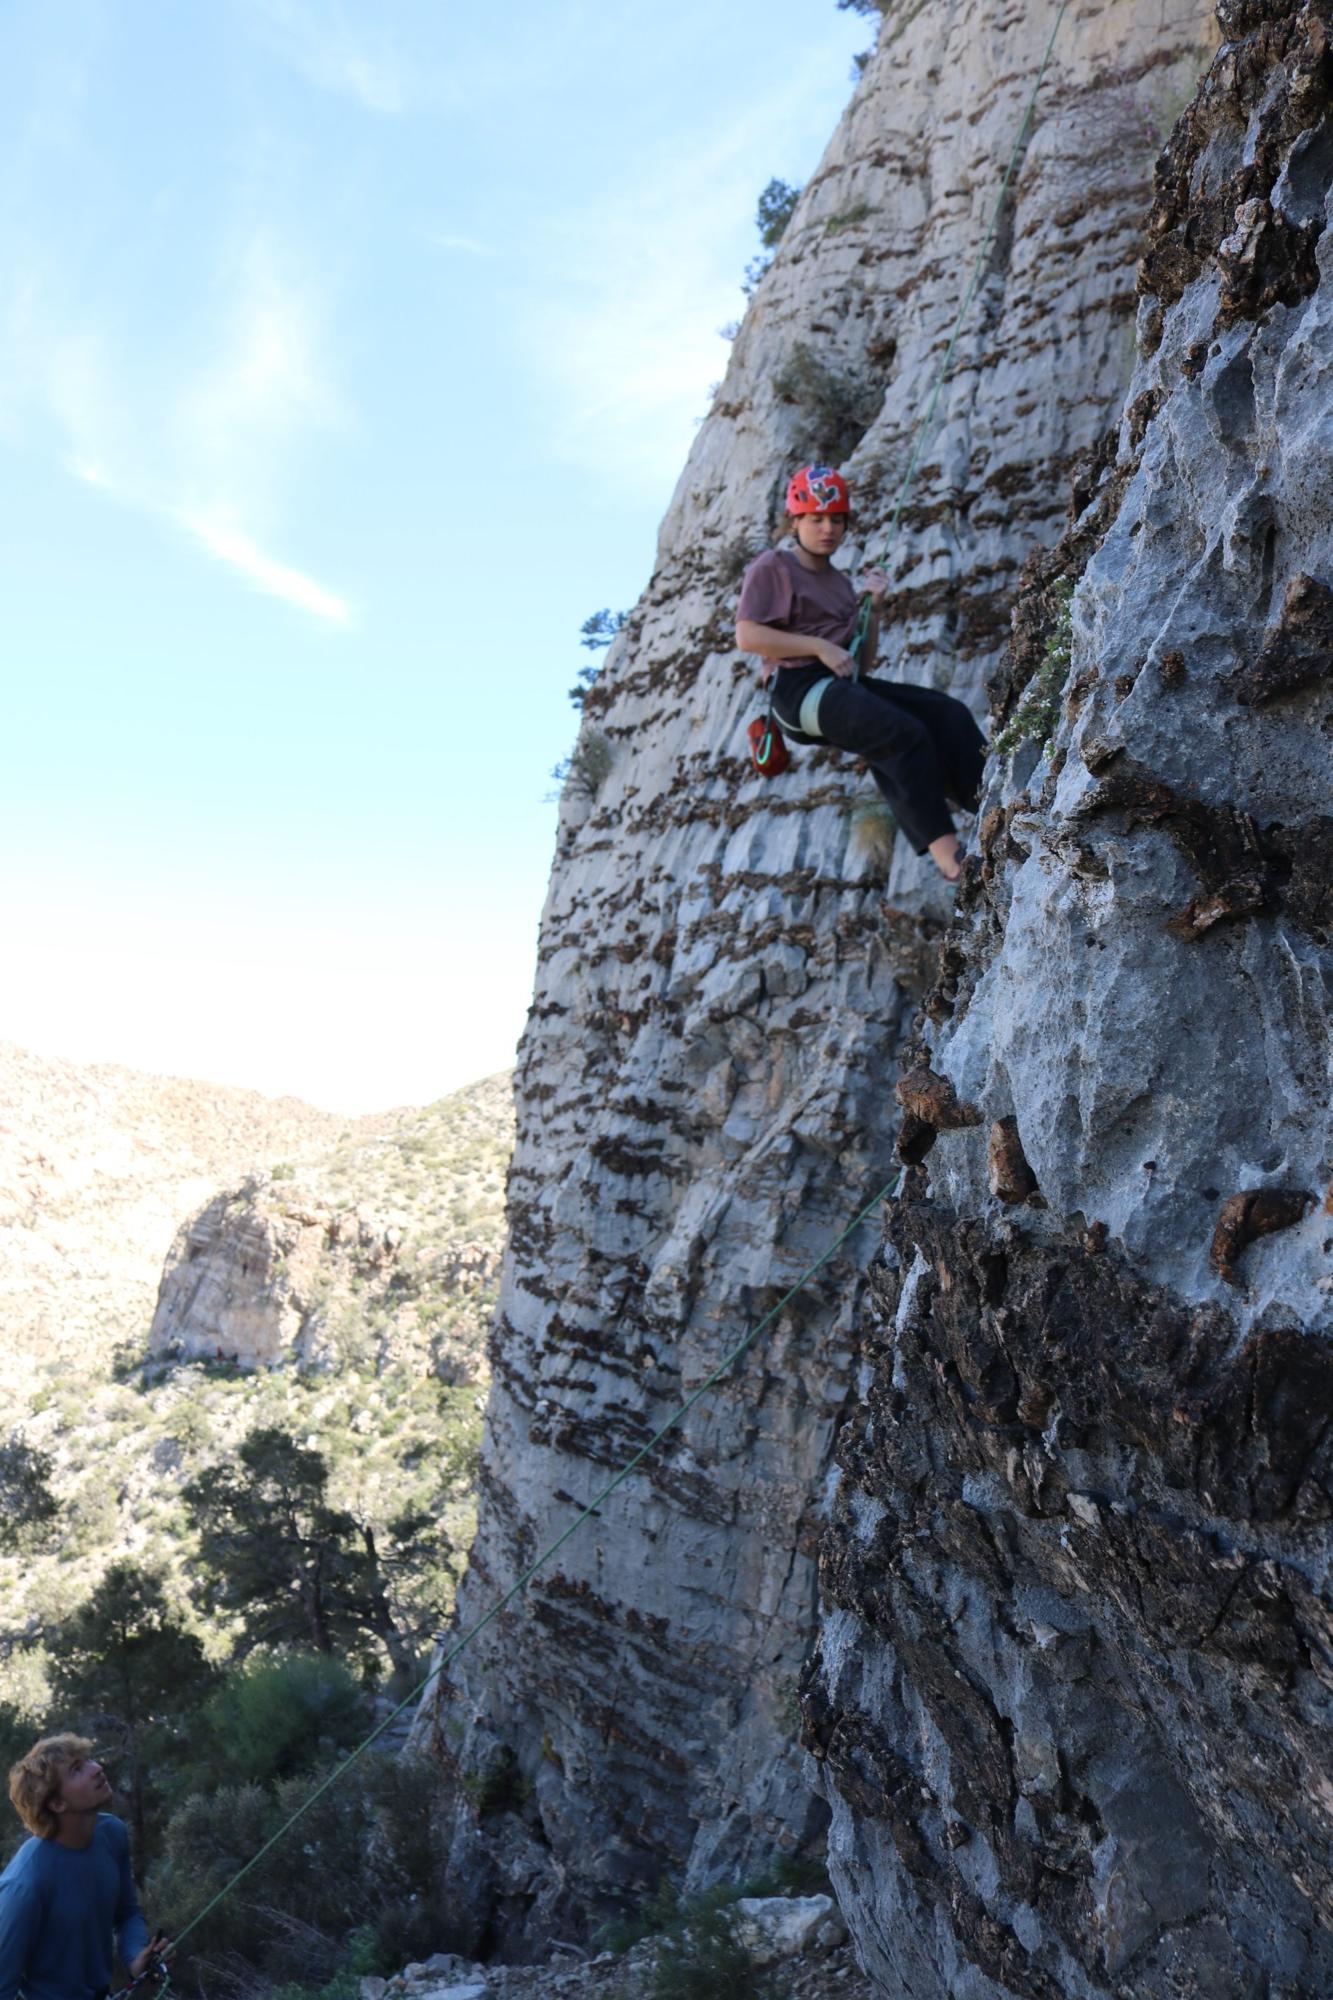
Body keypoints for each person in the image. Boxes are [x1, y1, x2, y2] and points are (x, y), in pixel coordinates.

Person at [735, 464, 986, 880]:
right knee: (898, 732)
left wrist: (873, 607)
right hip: (797, 691)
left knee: (946, 714)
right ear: (796, 520)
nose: (827, 529)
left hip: (841, 683)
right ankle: (949, 857)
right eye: (816, 519)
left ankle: (994, 802)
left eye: (836, 520)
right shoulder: (773, 566)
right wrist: (818, 645)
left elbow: (862, 662)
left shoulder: (837, 584)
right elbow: (748, 635)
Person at [0, 1735, 166, 2000]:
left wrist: (135, 1957)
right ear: (56, 1804)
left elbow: (127, 1913)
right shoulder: (24, 1885)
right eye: (77, 1770)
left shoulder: (112, 1834)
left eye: (87, 1760)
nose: (97, 1768)